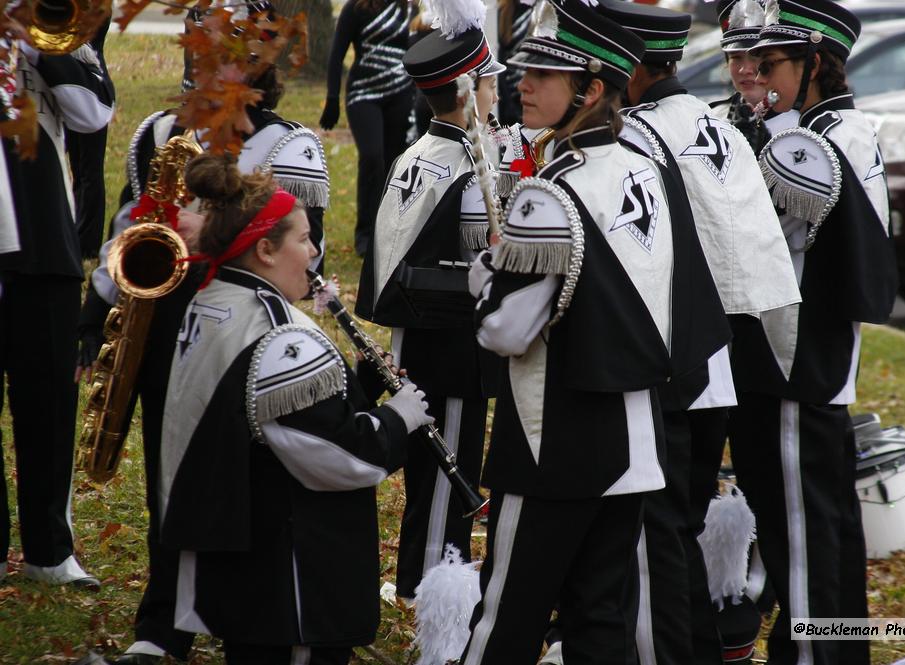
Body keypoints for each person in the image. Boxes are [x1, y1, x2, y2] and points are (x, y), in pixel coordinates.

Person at [460, 1, 728, 662]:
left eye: (545, 74)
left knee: (507, 619)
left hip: (557, 442)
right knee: (599, 621)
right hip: (636, 443)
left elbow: (502, 329)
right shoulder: (647, 168)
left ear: (593, 89)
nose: (524, 82)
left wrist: (486, 274)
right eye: (525, 70)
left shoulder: (549, 195)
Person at [76, 6, 330, 662]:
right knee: (172, 468)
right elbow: (128, 229)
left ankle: (251, 612)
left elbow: (309, 250)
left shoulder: (290, 144)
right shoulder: (159, 131)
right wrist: (93, 314)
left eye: (220, 47)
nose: (201, 58)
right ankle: (165, 619)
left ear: (257, 60)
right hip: (168, 327)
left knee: (252, 478)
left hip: (250, 331)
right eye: (196, 44)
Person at [157, 153, 432, 665]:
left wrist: (360, 382)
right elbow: (342, 457)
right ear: (264, 248)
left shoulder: (210, 301)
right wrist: (401, 417)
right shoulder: (278, 333)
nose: (315, 250)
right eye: (303, 238)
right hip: (292, 584)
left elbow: (260, 420)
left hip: (242, 573)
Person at [594, 2, 800, 664]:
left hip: (676, 359)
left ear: (630, 69)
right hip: (727, 360)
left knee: (662, 535)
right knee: (679, 523)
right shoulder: (715, 127)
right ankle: (714, 642)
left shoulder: (639, 138)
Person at [727, 1, 898, 664]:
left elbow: (772, 251)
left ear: (815, 63)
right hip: (795, 368)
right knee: (814, 535)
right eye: (739, 58)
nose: (743, 71)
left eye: (764, 61)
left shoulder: (818, 139)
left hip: (795, 367)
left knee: (803, 545)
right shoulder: (823, 127)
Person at [355, 0, 504, 604]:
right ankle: (434, 586)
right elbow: (486, 262)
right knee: (450, 472)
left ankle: (418, 573)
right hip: (454, 341)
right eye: (489, 82)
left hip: (413, 337)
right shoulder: (471, 167)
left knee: (426, 466)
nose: (498, 91)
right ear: (469, 92)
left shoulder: (416, 153)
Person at [0, 37, 113, 590]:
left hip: (42, 237)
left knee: (48, 400)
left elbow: (94, 112)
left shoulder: (51, 27)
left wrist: (35, 40)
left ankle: (49, 550)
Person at [321, 0, 413, 258]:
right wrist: (331, 98)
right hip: (363, 93)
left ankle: (393, 228)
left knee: (397, 162)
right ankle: (365, 233)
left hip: (401, 93)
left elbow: (415, 50)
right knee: (372, 158)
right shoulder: (356, 8)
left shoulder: (408, 8)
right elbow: (337, 54)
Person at [67, 16, 114, 258]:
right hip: (62, 83)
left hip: (90, 86)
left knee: (88, 169)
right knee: (74, 167)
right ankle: (74, 228)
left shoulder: (96, 8)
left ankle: (87, 242)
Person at [708, 0, 771, 155]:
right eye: (736, 57)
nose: (745, 69)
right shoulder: (711, 119)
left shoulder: (801, 121)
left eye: (755, 56)